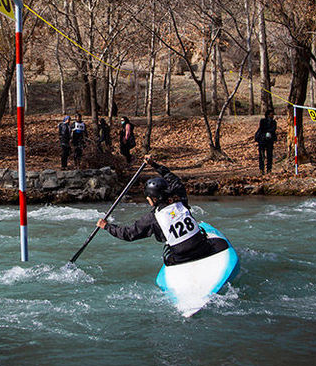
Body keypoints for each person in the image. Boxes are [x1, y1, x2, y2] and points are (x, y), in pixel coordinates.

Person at [96, 155, 227, 266]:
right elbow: (172, 178)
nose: (147, 199)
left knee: (168, 256)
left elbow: (128, 234)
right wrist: (154, 164)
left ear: (155, 199)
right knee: (222, 243)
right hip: (202, 247)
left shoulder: (153, 218)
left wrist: (106, 226)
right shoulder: (180, 198)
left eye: (148, 197)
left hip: (181, 258)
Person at [254, 109, 277, 175]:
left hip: (270, 141)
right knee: (261, 156)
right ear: (268, 114)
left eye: (273, 114)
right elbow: (262, 128)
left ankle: (269, 169)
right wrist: (266, 132)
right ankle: (261, 169)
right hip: (262, 140)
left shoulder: (274, 122)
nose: (272, 116)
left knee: (269, 156)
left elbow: (273, 129)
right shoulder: (263, 121)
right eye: (271, 114)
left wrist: (269, 132)